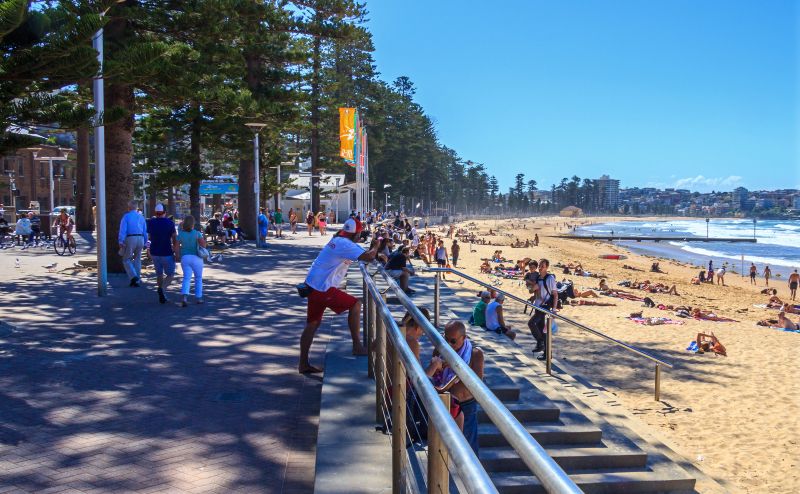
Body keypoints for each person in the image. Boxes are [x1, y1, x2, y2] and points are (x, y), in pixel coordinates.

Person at [299, 219, 377, 374]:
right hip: (323, 288)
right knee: (355, 304)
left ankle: (303, 364)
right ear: (356, 234)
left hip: (312, 284)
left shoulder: (338, 240)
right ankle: (357, 346)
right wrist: (376, 245)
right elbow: (368, 257)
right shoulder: (344, 244)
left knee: (312, 324)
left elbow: (357, 251)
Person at [427, 320, 484, 454]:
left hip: (466, 405)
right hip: (444, 402)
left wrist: (455, 366)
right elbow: (432, 376)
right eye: (446, 339)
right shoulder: (439, 349)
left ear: (464, 338)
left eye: (453, 341)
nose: (449, 344)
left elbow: (477, 384)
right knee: (441, 446)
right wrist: (437, 368)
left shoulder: (475, 354)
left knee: (468, 447)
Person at [146, 204, 178, 304]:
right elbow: (174, 238)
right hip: (166, 251)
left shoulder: (150, 222)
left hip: (154, 252)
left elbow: (148, 238)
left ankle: (161, 293)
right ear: (165, 212)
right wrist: (176, 251)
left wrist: (148, 250)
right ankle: (162, 290)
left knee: (159, 274)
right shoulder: (170, 223)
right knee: (170, 274)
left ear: (155, 213)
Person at [528, 258, 558, 360]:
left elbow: (555, 294)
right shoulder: (537, 278)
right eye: (540, 266)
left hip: (544, 306)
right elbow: (533, 292)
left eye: (543, 266)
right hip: (537, 305)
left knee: (531, 323)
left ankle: (540, 343)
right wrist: (533, 290)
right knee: (543, 331)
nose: (540, 268)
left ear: (547, 267)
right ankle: (547, 354)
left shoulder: (550, 278)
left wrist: (554, 309)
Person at [175, 214, 206, 307]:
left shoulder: (180, 234)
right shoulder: (197, 233)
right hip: (196, 257)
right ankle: (199, 298)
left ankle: (184, 297)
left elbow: (176, 247)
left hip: (185, 257)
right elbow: (203, 245)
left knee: (186, 278)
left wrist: (177, 256)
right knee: (198, 278)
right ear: (193, 224)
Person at [118, 200, 147, 287]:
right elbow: (145, 231)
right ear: (137, 207)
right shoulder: (141, 217)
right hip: (141, 238)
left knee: (126, 259)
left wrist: (121, 240)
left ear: (129, 207)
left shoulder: (126, 216)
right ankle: (136, 280)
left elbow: (123, 230)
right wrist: (145, 242)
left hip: (131, 238)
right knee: (138, 259)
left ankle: (133, 276)